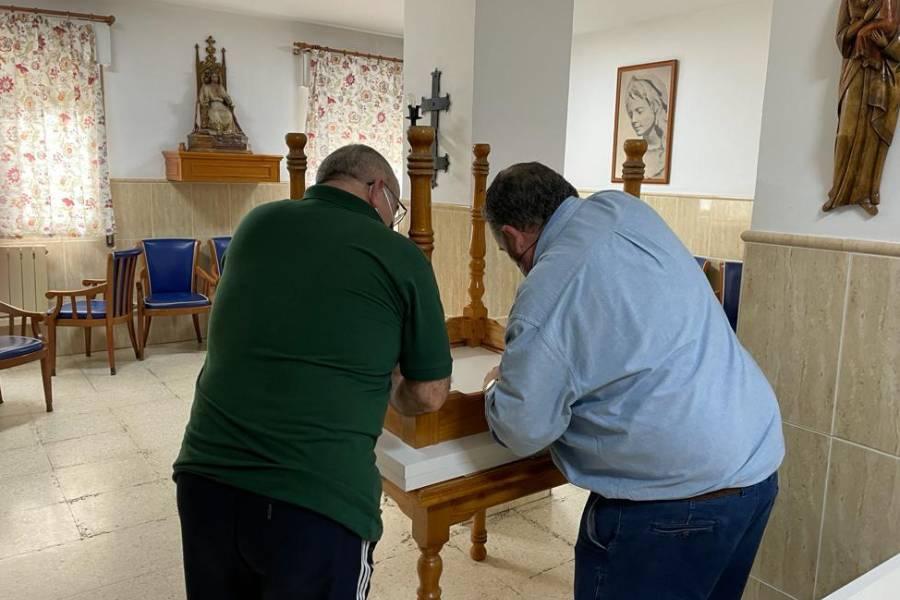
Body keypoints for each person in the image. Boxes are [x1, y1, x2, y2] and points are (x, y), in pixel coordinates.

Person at [480, 163, 784, 599]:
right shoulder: (623, 209)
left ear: (512, 237)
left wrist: (496, 386)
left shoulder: (547, 291)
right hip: (754, 464)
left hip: (674, 502)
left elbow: (522, 427)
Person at [174, 145, 452, 600]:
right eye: (394, 210)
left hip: (207, 481)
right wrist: (388, 384)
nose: (393, 219)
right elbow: (429, 394)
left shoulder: (255, 224)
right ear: (378, 191)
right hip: (318, 499)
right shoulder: (400, 255)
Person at [824, 0, 900, 216]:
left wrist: (886, 45)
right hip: (855, 66)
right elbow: (841, 38)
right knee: (845, 133)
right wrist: (862, 24)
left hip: (883, 74)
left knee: (873, 136)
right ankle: (838, 191)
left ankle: (867, 194)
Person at [625, 74, 669, 179]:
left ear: (655, 107)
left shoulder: (664, 155)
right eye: (631, 114)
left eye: (639, 111)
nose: (633, 120)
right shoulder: (632, 156)